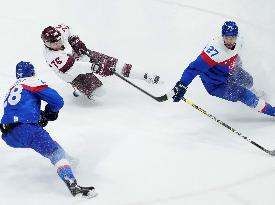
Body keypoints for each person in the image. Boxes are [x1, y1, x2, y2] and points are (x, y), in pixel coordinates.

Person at [0, 61, 97, 198]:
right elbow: (57, 100)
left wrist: (39, 116)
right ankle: (74, 188)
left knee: (47, 144)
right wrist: (50, 111)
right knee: (54, 153)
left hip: (8, 134)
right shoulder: (31, 81)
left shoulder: (12, 88)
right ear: (32, 72)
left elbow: (21, 109)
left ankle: (69, 160)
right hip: (26, 129)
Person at [169, 21, 275, 117]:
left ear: (237, 36)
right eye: (226, 38)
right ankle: (271, 111)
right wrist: (182, 85)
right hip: (216, 85)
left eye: (232, 38)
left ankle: (254, 93)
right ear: (222, 36)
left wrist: (237, 64)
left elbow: (235, 55)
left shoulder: (240, 41)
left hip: (229, 71)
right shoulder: (214, 51)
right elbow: (193, 69)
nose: (229, 41)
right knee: (244, 94)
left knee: (249, 80)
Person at [41, 24, 161, 100]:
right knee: (100, 92)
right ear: (46, 43)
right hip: (72, 74)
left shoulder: (60, 31)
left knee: (116, 65)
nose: (57, 44)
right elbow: (76, 68)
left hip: (80, 56)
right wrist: (97, 67)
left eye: (58, 40)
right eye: (53, 43)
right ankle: (78, 89)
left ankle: (145, 76)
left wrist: (75, 40)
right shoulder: (52, 57)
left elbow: (68, 29)